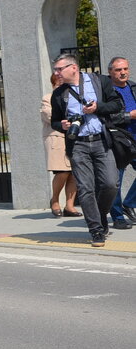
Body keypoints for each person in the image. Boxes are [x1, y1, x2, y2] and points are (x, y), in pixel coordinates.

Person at [49, 53, 122, 247]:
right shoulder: (59, 94)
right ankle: (96, 229)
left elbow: (117, 104)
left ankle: (99, 214)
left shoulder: (100, 82)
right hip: (78, 145)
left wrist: (98, 108)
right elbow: (54, 121)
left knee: (110, 184)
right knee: (86, 188)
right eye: (55, 69)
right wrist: (62, 125)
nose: (56, 73)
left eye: (59, 69)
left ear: (73, 67)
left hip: (101, 141)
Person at [41, 74, 80, 218]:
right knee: (62, 172)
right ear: (54, 84)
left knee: (75, 173)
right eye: (59, 82)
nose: (63, 84)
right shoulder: (48, 98)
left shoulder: (74, 96)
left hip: (74, 138)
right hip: (56, 138)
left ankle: (69, 206)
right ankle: (55, 199)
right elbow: (49, 116)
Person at [106, 57, 136, 229]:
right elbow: (106, 117)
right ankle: (117, 217)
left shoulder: (132, 86)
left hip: (135, 138)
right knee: (115, 181)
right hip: (118, 141)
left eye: (125, 68)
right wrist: (128, 116)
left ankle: (129, 203)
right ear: (110, 72)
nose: (123, 72)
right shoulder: (106, 91)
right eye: (118, 70)